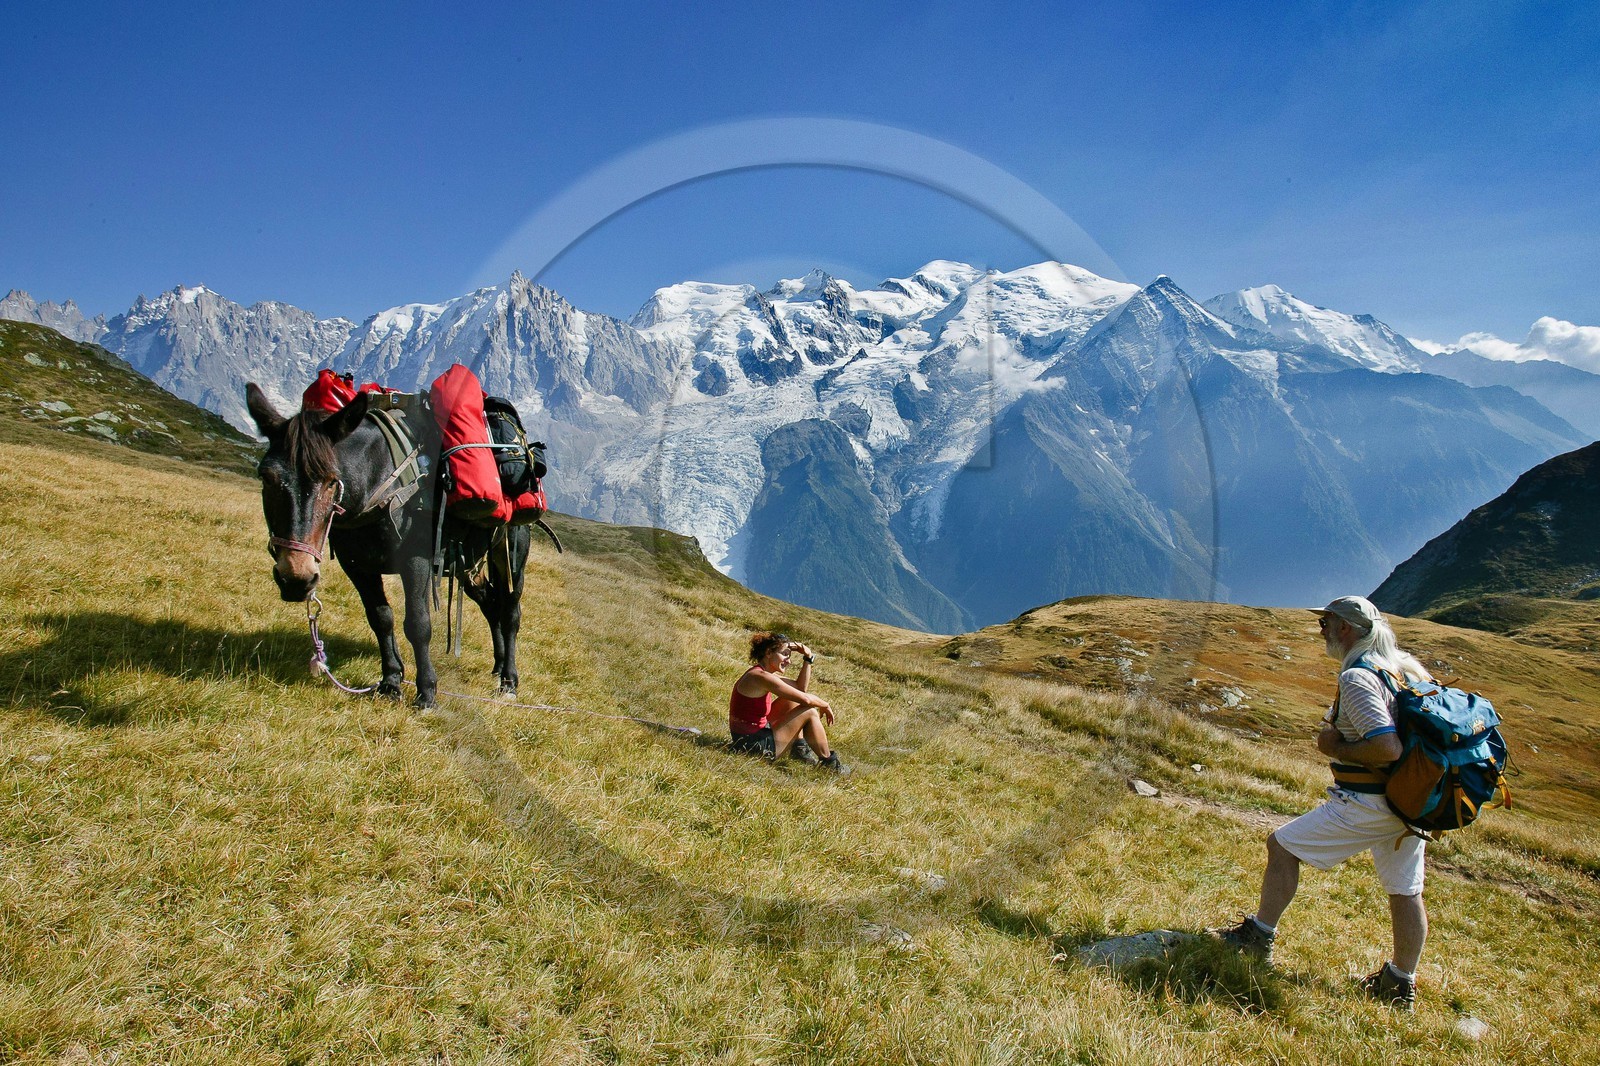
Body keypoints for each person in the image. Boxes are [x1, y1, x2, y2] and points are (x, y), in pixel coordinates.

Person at [1212, 596, 1432, 1010]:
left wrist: (1334, 746)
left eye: (1326, 622)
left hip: (1370, 802)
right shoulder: (1400, 668)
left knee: (1281, 845)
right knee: (1405, 890)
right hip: (1409, 804)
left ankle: (1258, 938)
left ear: (1345, 629)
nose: (1321, 629)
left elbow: (1387, 748)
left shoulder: (1358, 678)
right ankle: (1400, 983)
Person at [729, 632, 850, 774]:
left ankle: (799, 750)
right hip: (754, 747)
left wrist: (808, 658)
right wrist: (825, 704)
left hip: (747, 739)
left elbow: (799, 688)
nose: (789, 661)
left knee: (791, 700)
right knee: (809, 711)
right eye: (784, 654)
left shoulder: (760, 673)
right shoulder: (760, 677)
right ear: (768, 653)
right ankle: (830, 764)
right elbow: (806, 699)